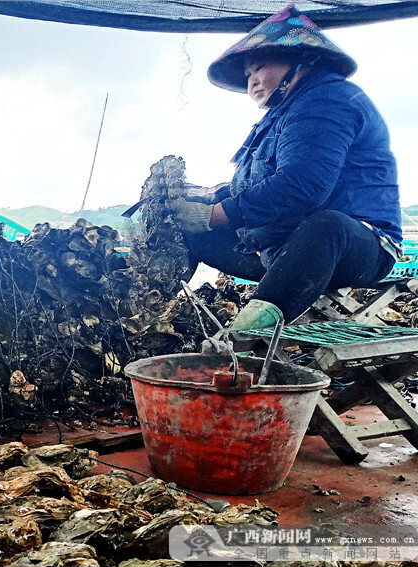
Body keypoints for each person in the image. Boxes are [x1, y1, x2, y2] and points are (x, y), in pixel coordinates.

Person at [172, 4, 402, 331]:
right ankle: (146, 312)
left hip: (356, 247)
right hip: (279, 248)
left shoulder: (329, 100)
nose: (251, 82)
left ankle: (245, 335)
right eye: (247, 75)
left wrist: (214, 215)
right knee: (186, 231)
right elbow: (251, 188)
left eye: (259, 68)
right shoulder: (278, 116)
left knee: (326, 226)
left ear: (301, 60)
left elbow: (301, 185)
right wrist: (202, 201)